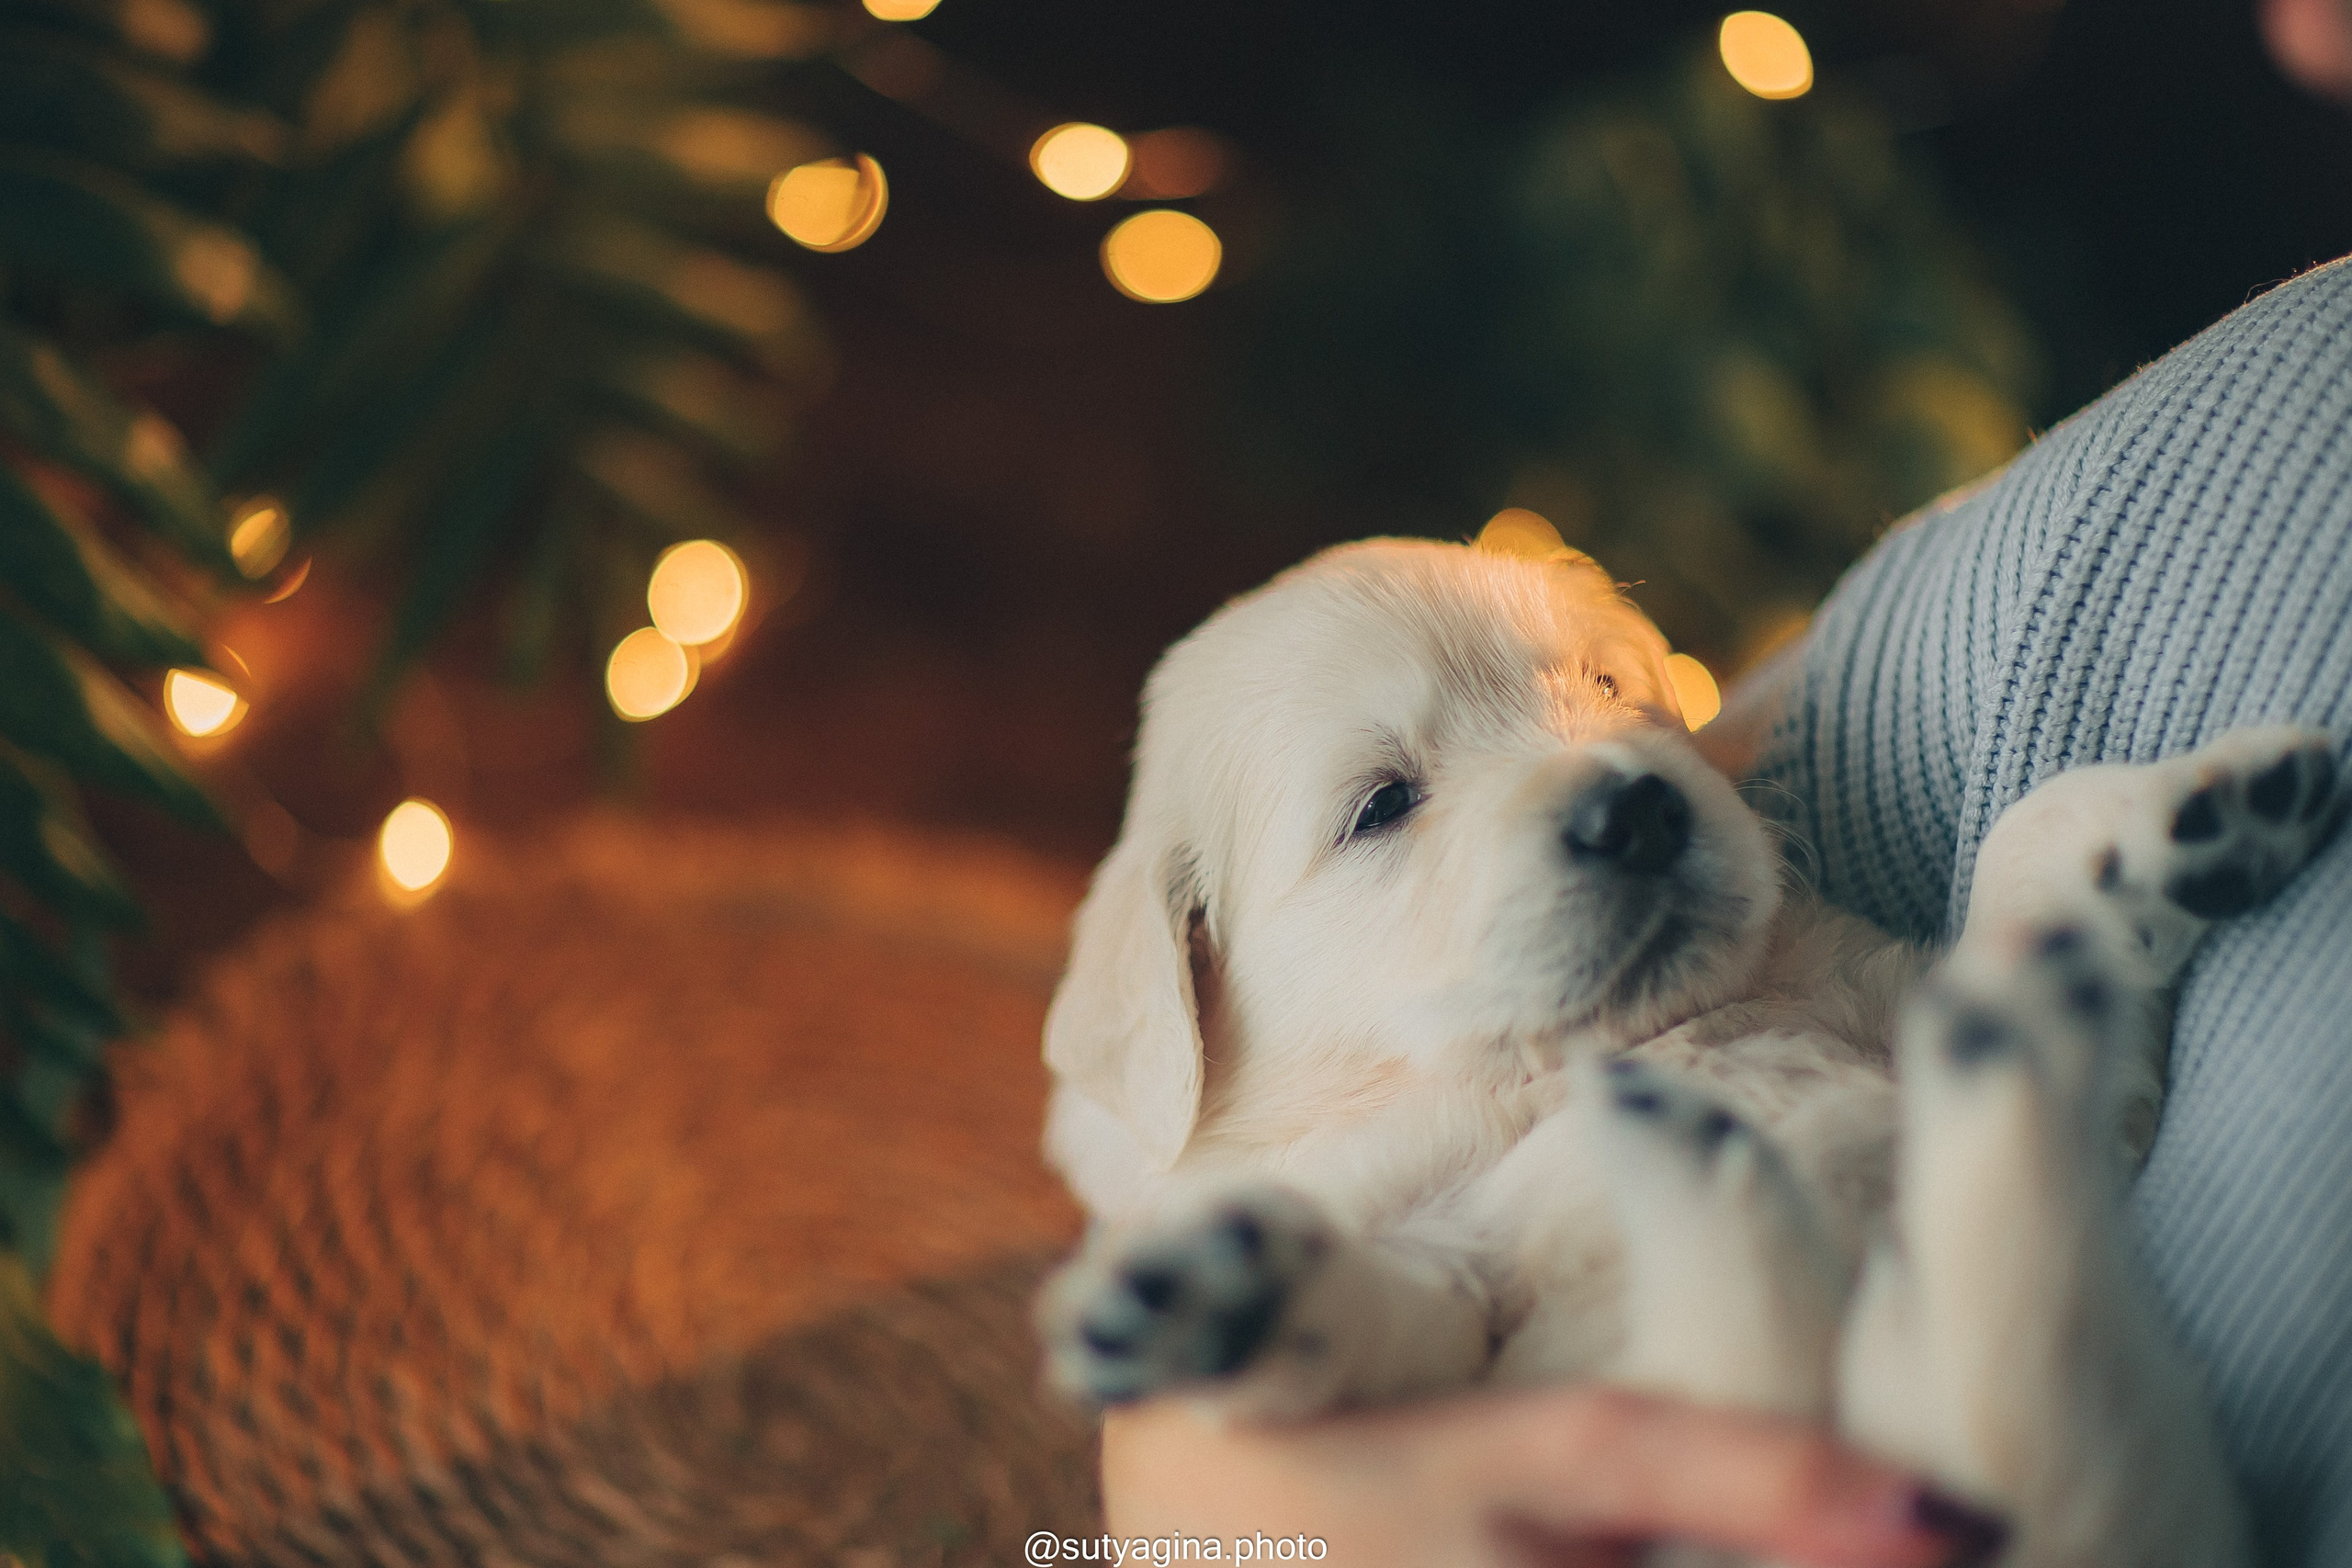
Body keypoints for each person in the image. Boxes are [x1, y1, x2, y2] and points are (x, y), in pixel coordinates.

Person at [1098, 249, 2352, 1567]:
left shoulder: (1814, 959)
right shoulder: (1403, 1164)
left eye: (1603, 689)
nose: (1606, 784)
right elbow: (1375, 1332)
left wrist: (2044, 877)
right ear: (1180, 977)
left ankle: (2003, 1136)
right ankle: (2003, 1139)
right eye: (1382, 806)